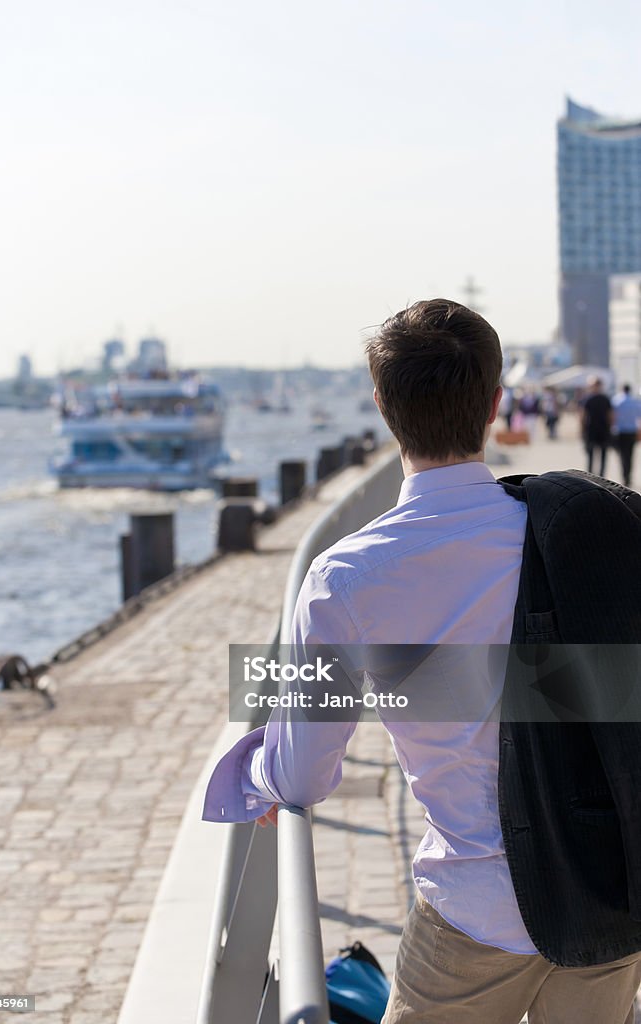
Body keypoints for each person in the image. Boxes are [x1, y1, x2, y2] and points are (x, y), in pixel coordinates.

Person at [203, 299, 641, 1023]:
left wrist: (252, 772)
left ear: (382, 406)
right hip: (608, 891)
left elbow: (302, 772)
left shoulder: (343, 578)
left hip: (473, 915)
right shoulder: (581, 526)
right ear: (496, 403)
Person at [580, 376, 612, 477]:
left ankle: (600, 477)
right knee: (591, 455)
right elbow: (583, 415)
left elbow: (610, 415)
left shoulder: (603, 399)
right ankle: (590, 476)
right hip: (592, 430)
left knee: (602, 455)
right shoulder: (588, 399)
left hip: (601, 430)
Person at [612, 383, 641, 487]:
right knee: (630, 455)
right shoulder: (634, 402)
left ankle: (624, 476)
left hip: (620, 432)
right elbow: (639, 418)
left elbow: (613, 417)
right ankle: (628, 477)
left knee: (622, 456)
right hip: (631, 431)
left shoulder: (616, 401)